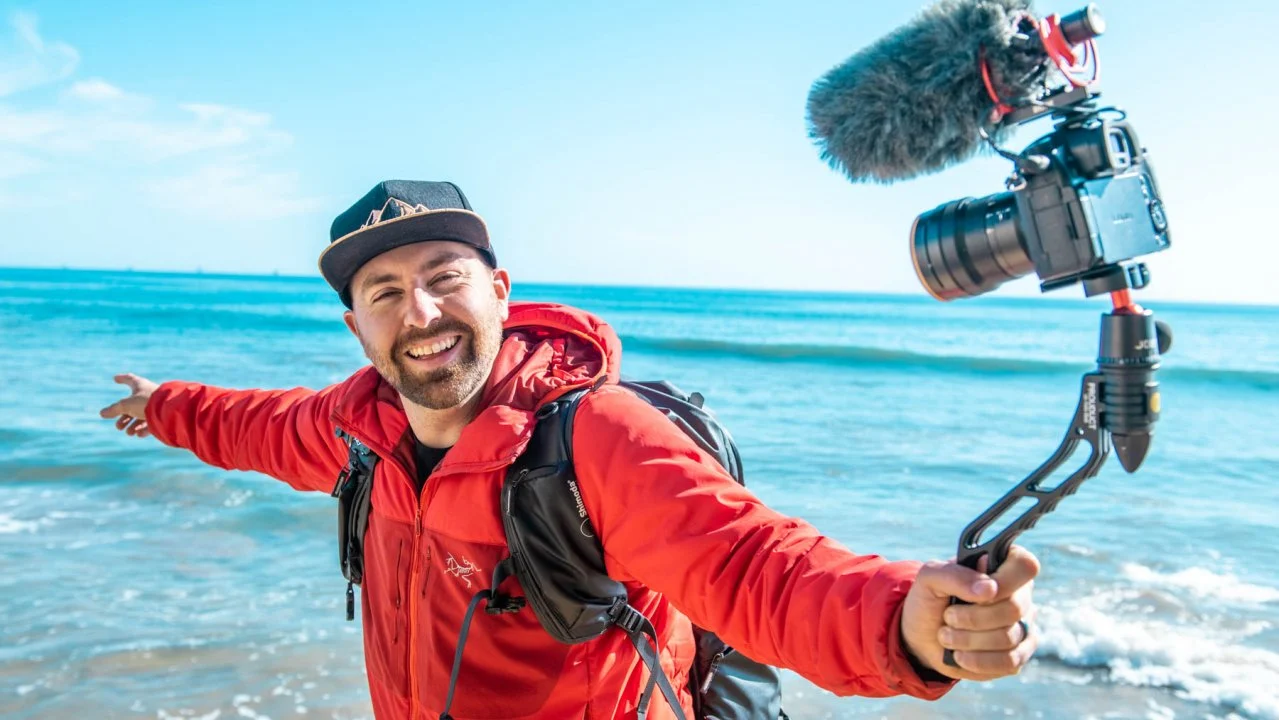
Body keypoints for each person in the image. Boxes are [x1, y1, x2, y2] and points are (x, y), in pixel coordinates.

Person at [100, 180, 1040, 720]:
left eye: (444, 277)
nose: (420, 312)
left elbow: (755, 566)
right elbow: (256, 425)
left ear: (500, 292)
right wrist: (166, 407)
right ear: (357, 328)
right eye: (384, 292)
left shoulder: (592, 437)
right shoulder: (359, 429)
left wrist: (906, 624)